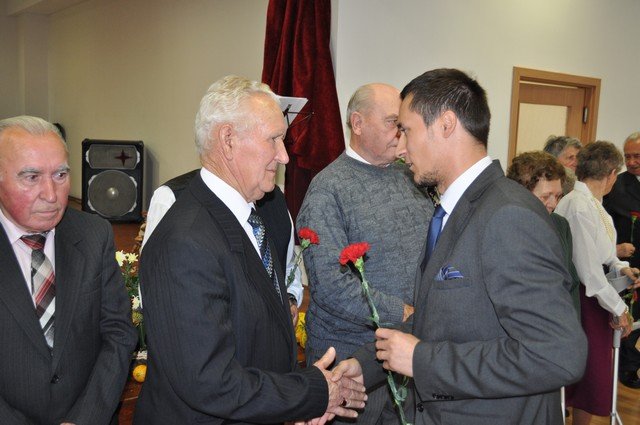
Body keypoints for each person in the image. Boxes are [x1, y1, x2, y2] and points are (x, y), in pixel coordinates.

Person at [332, 68, 587, 425]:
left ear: (446, 124)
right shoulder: (455, 210)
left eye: (407, 130)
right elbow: (439, 319)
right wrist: (365, 365)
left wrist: (423, 361)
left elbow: (557, 355)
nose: (401, 147)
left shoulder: (508, 215)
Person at [133, 76, 366, 425]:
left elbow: (258, 334)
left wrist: (295, 402)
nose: (284, 156)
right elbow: (211, 382)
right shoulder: (186, 240)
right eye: (273, 139)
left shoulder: (251, 214)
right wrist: (312, 394)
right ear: (228, 140)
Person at [296, 83, 432, 424]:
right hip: (349, 362)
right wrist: (402, 312)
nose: (400, 133)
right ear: (357, 123)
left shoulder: (412, 178)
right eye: (392, 122)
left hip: (407, 352)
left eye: (402, 124)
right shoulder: (328, 189)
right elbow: (330, 285)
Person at [0, 116, 137, 425]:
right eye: (31, 177)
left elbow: (118, 333)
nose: (51, 194)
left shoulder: (94, 235)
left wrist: (85, 418)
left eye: (60, 175)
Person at [142, 170, 304, 325]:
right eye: (271, 144)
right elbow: (154, 296)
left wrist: (290, 297)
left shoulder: (276, 200)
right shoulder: (172, 197)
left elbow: (288, 264)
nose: (283, 157)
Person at [555, 141, 640, 425]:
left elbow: (604, 254)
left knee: (593, 376)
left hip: (595, 295)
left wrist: (622, 267)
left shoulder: (593, 203)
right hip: (583, 299)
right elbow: (589, 271)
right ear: (611, 173)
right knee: (588, 375)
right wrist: (619, 308)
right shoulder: (578, 205)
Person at [506, 150, 581, 316]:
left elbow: (572, 284)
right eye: (545, 196)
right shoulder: (503, 227)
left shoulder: (561, 225)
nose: (553, 204)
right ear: (521, 193)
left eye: (558, 196)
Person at [603, 131, 640, 388]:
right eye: (628, 156)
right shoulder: (616, 186)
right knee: (630, 320)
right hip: (628, 266)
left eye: (637, 156)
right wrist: (615, 250)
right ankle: (627, 368)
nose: (632, 161)